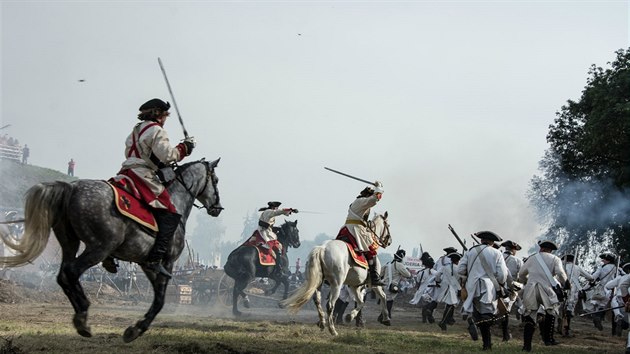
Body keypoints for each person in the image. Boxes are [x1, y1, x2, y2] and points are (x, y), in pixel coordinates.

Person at [113, 98, 195, 278]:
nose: (166, 118)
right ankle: (155, 258)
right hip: (143, 174)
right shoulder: (157, 130)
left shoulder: (135, 131)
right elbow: (168, 155)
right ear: (158, 114)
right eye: (165, 115)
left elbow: (141, 153)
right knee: (171, 212)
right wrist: (185, 148)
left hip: (126, 172)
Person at [458, 230, 508, 351]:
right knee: (487, 315)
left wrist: (467, 279)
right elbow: (502, 275)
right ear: (492, 242)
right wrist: (500, 283)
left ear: (481, 240)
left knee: (478, 313)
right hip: (487, 287)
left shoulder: (470, 251)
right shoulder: (497, 253)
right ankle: (485, 343)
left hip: (471, 286)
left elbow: (460, 270)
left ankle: (485, 342)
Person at [518, 240, 568, 352]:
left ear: (541, 248)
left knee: (530, 316)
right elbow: (560, 273)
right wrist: (565, 284)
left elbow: (521, 274)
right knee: (551, 312)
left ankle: (527, 346)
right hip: (547, 290)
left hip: (531, 289)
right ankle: (548, 340)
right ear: (551, 250)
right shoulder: (555, 259)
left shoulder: (532, 258)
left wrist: (527, 282)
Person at [337, 181, 385, 286]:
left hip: (346, 228)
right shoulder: (362, 201)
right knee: (371, 251)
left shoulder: (357, 203)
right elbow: (374, 199)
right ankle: (374, 277)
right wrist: (379, 188)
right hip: (355, 230)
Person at [254, 201, 297, 273]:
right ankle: (279, 267)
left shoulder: (268, 212)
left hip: (266, 231)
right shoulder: (269, 212)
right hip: (265, 232)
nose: (277, 209)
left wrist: (290, 212)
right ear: (274, 207)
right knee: (278, 248)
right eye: (277, 208)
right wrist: (290, 209)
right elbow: (278, 212)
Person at [561, 253, 594, 337]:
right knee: (569, 310)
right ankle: (566, 329)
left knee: (559, 309)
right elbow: (590, 277)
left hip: (562, 291)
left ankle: (560, 327)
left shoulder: (562, 267)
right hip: (573, 292)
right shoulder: (577, 268)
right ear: (573, 260)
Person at [589, 252, 623, 331]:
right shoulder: (618, 269)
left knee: (599, 306)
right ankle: (599, 319)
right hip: (613, 290)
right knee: (606, 306)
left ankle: (597, 318)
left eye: (604, 259)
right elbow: (623, 277)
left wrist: (591, 281)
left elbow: (593, 277)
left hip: (602, 289)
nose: (602, 260)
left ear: (608, 260)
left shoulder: (601, 268)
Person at [500, 240, 524, 341]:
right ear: (513, 250)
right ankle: (505, 335)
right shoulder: (517, 261)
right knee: (506, 312)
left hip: (494, 287)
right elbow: (522, 276)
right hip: (509, 289)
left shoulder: (498, 256)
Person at [379, 248, 412, 322]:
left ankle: (384, 316)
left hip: (384, 285)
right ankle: (385, 317)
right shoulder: (399, 265)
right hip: (391, 286)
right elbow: (408, 275)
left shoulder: (388, 264)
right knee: (389, 302)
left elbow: (380, 273)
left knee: (387, 301)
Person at [435, 252, 462, 331]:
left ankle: (447, 320)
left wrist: (437, 281)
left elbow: (437, 275)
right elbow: (462, 279)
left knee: (449, 305)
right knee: (451, 305)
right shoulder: (459, 268)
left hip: (445, 287)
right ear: (458, 261)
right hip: (454, 288)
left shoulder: (445, 267)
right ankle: (443, 322)